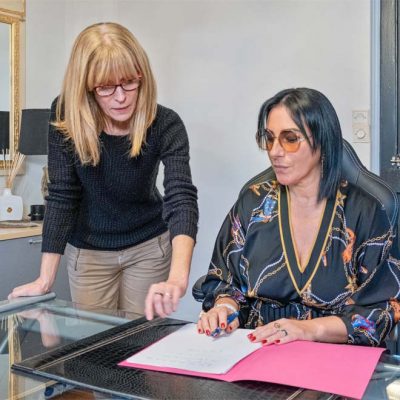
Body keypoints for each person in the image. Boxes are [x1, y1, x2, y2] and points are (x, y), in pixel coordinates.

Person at [9, 22, 199, 320]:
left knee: (141, 338)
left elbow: (181, 197)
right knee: (93, 340)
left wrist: (177, 279)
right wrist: (44, 279)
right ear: (86, 87)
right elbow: (62, 195)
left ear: (142, 76)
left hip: (148, 247)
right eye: (105, 87)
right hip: (88, 252)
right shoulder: (66, 115)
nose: (120, 97)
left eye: (129, 82)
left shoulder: (165, 123)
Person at [195, 87, 400, 346]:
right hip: (259, 347)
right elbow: (225, 281)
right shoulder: (254, 204)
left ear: (322, 141)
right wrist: (225, 307)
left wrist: (307, 330)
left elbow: (381, 310)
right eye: (269, 138)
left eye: (290, 139)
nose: (275, 151)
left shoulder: (365, 212)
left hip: (334, 351)